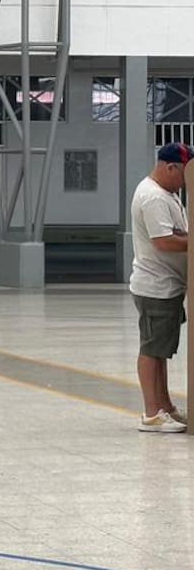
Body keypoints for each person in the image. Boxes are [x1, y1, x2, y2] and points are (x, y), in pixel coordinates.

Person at [129, 143, 191, 433]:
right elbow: (164, 241)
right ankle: (152, 414)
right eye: (185, 175)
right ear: (171, 168)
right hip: (156, 285)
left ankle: (165, 406)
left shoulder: (166, 193)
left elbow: (177, 234)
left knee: (161, 350)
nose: (186, 183)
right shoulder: (153, 197)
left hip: (166, 285)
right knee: (151, 350)